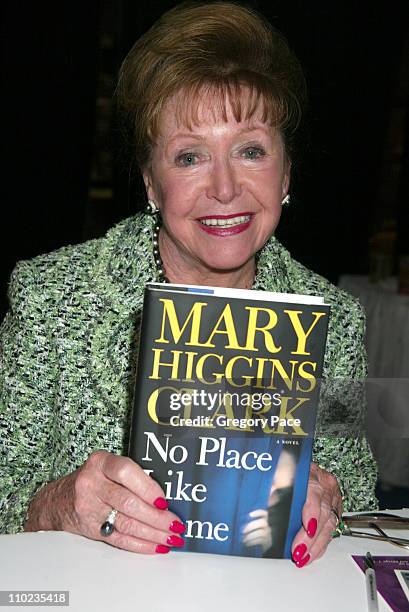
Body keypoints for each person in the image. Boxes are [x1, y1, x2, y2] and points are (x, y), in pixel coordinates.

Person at [0, 1, 377, 567]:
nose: (225, 188)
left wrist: (331, 500)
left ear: (287, 172)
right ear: (151, 182)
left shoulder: (337, 320)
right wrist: (54, 506)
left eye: (250, 150)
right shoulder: (47, 297)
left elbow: (360, 492)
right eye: (190, 156)